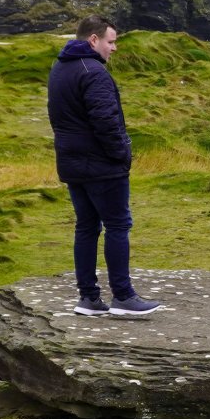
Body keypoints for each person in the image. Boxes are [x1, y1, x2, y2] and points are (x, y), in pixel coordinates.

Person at [48, 16, 163, 316]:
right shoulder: (94, 72)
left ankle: (89, 299)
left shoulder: (60, 67)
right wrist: (122, 154)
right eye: (110, 41)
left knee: (86, 226)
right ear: (93, 40)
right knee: (117, 225)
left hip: (72, 163)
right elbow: (106, 122)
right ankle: (123, 297)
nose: (114, 48)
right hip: (100, 166)